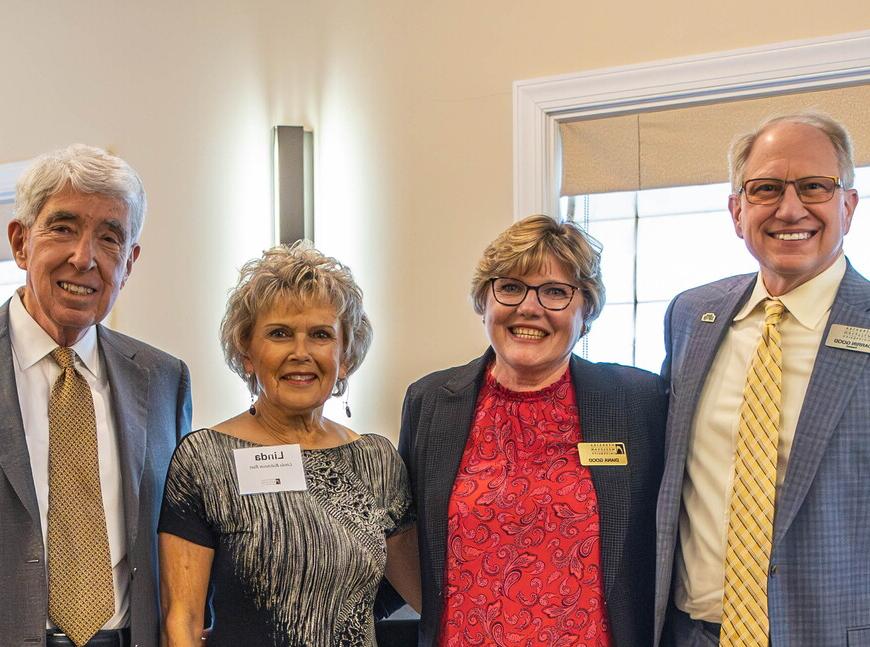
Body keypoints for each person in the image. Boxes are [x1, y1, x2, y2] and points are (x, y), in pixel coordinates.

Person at [398, 215, 667, 646]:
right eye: (510, 287)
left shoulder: (639, 402)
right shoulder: (430, 402)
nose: (529, 307)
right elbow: (405, 537)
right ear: (484, 300)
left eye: (556, 292)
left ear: (588, 310)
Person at [654, 111, 868, 646]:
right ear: (737, 209)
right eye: (766, 189)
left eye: (815, 187)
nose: (789, 208)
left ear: (848, 205)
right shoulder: (690, 315)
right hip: (690, 635)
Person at [158, 242, 420, 646]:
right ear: (247, 352)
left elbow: (424, 594)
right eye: (279, 334)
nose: (301, 353)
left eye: (320, 335)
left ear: (345, 355)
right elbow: (183, 620)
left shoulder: (377, 461)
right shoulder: (206, 460)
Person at [0, 145, 192, 647]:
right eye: (62, 228)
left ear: (128, 263)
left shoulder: (164, 379)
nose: (83, 257)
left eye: (109, 238)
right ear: (21, 242)